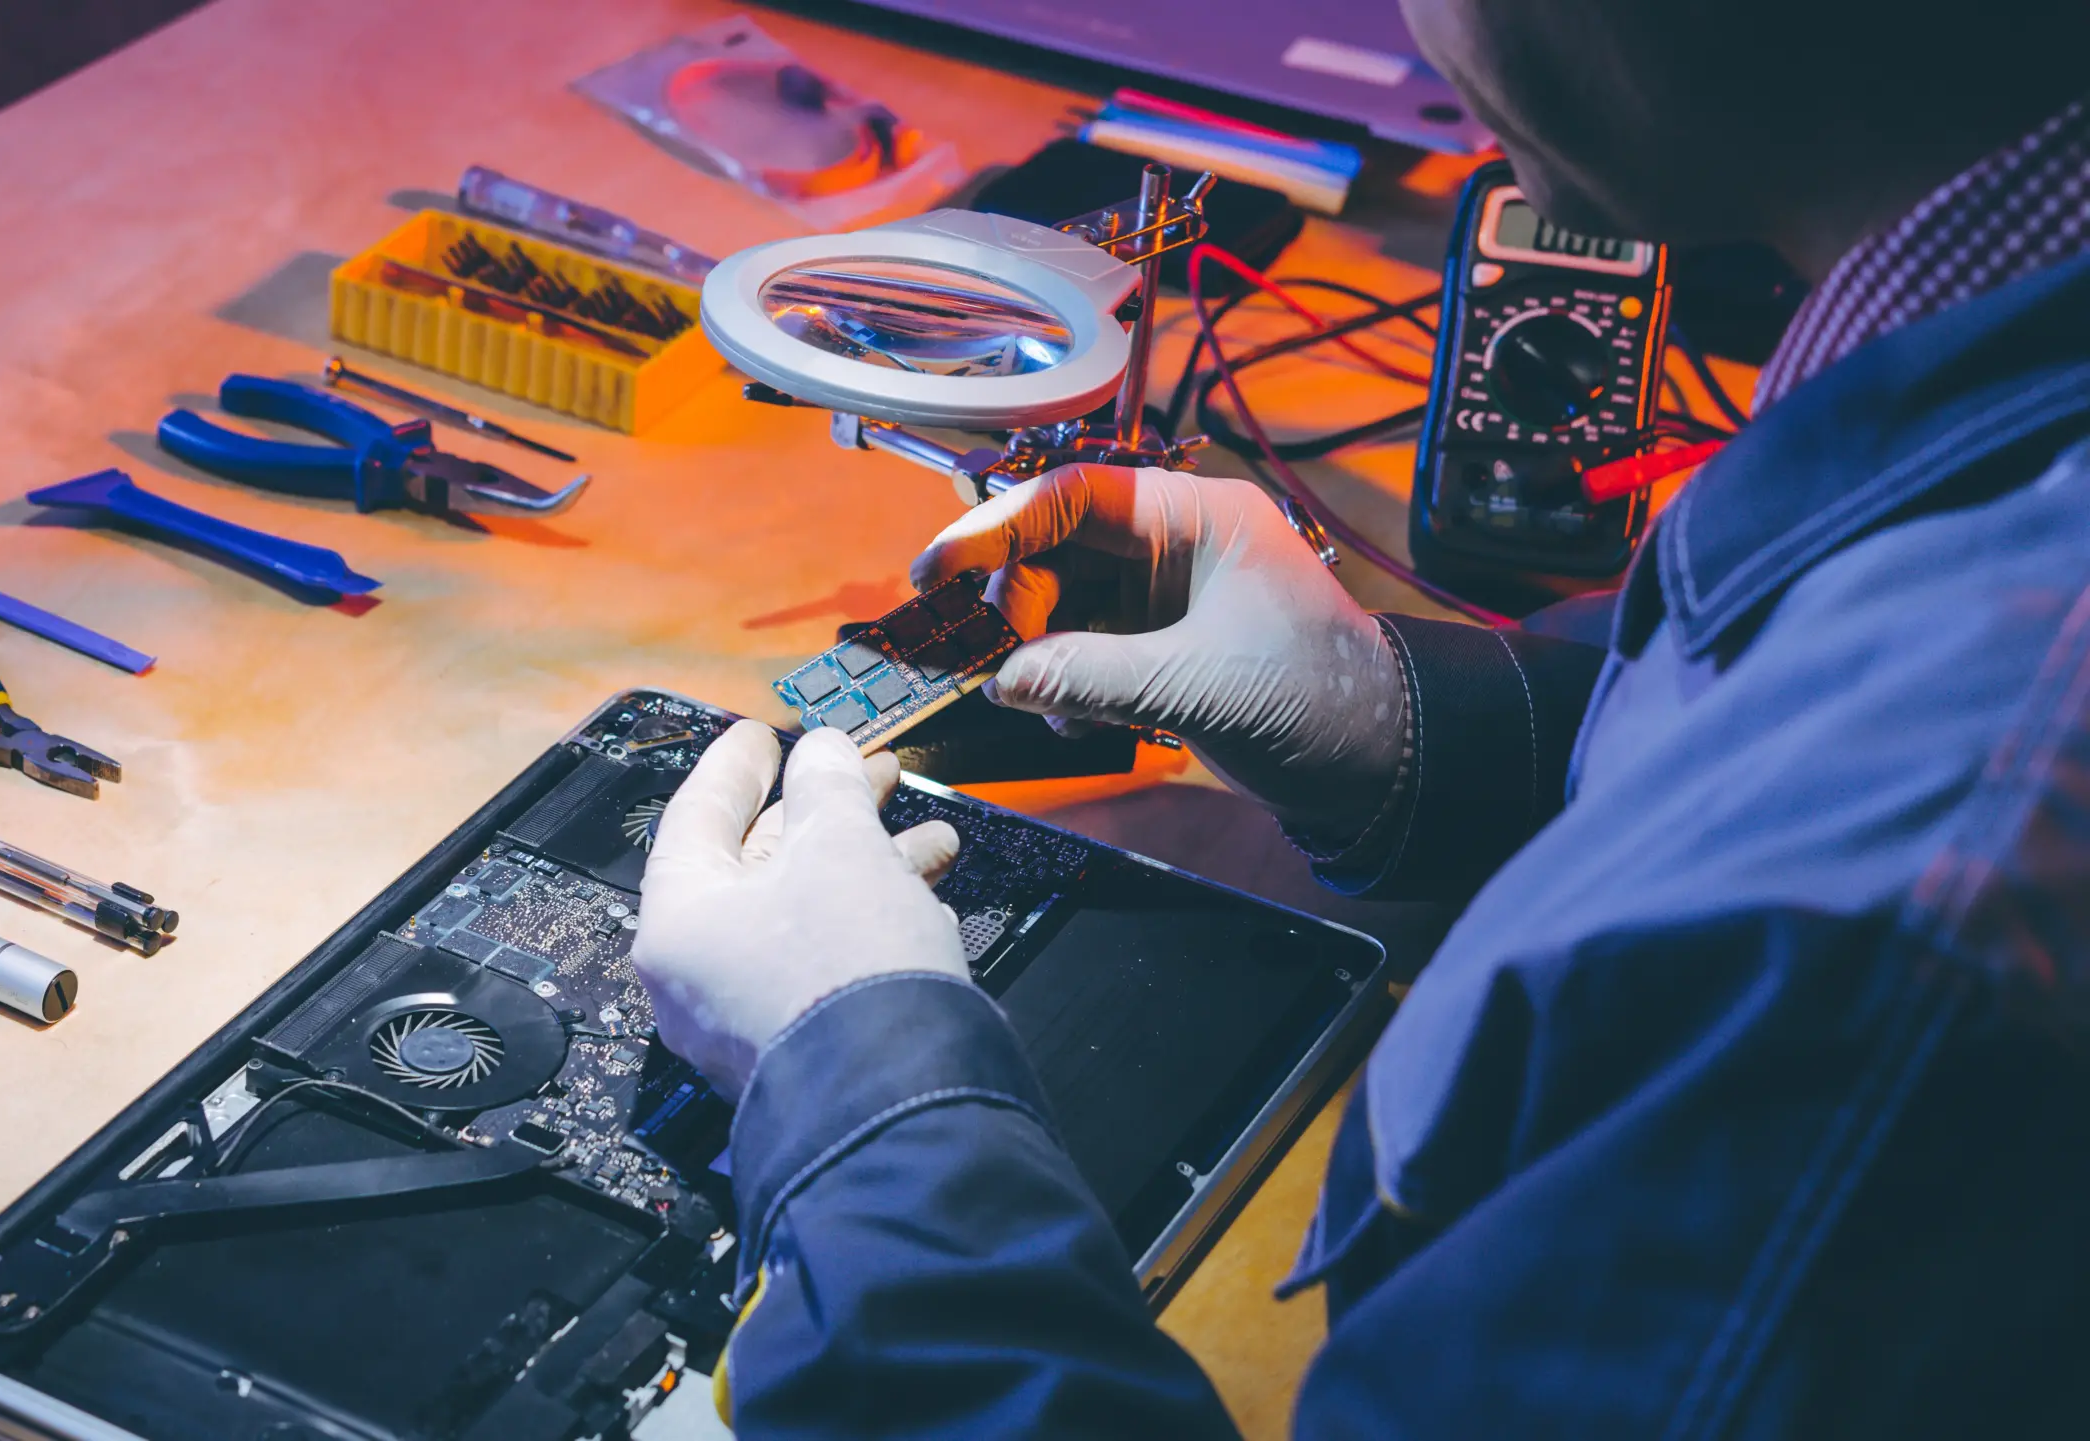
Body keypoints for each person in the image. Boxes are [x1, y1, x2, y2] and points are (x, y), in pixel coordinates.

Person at [631, 0, 2090, 1433]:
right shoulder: (1988, 347)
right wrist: (1408, 719)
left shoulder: (1926, 924)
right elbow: (1795, 719)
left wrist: (852, 1092)